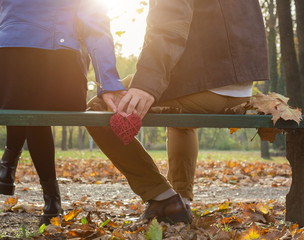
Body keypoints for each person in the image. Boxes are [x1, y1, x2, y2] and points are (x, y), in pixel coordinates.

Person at [86, 0, 269, 221]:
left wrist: (146, 85)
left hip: (201, 83)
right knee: (180, 121)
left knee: (97, 109)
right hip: (240, 88)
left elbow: (169, 25)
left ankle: (161, 196)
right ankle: (181, 202)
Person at [0, 0, 128, 225]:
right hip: (58, 69)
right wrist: (109, 83)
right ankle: (50, 199)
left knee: (22, 94)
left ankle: (8, 167)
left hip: (3, 66)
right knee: (34, 98)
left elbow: (6, 16)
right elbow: (97, 29)